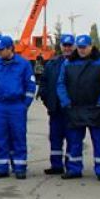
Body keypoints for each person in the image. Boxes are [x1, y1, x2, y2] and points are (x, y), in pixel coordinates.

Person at [57, 35, 100, 180]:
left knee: (98, 141)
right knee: (75, 141)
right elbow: (61, 83)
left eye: (84, 47)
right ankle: (74, 169)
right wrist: (66, 102)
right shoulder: (68, 63)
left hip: (96, 108)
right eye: (79, 47)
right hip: (75, 108)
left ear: (91, 46)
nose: (82, 50)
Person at [0, 35, 36, 179]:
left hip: (16, 105)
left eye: (1, 50)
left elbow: (30, 85)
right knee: (0, 137)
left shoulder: (23, 64)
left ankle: (20, 168)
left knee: (18, 136)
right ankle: (1, 168)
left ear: (10, 48)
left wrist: (25, 104)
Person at [38, 35, 75, 175]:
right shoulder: (52, 64)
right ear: (61, 46)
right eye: (65, 45)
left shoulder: (79, 63)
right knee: (55, 138)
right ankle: (56, 165)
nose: (67, 48)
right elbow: (44, 83)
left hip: (72, 109)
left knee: (72, 138)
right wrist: (47, 101)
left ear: (74, 46)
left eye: (70, 45)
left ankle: (72, 166)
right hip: (55, 109)